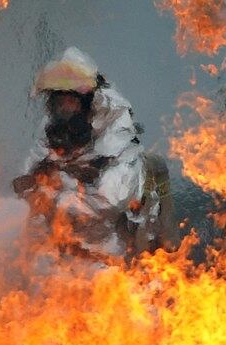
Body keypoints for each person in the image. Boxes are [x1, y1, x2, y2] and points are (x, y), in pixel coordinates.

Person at [13, 47, 178, 263]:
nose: (63, 109)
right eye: (58, 101)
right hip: (62, 263)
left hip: (112, 268)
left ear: (88, 102)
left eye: (69, 101)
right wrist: (28, 186)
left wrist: (50, 189)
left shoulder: (119, 144)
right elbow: (29, 179)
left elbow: (105, 206)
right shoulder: (52, 133)